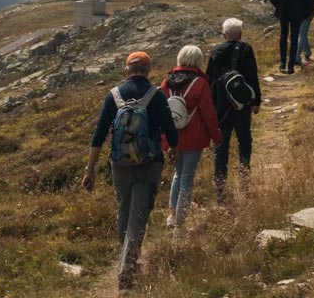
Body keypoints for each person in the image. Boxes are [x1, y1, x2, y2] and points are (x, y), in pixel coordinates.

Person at [81, 50, 179, 291]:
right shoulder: (155, 96)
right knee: (139, 215)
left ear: (126, 70)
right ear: (148, 70)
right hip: (149, 164)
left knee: (124, 211)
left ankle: (127, 262)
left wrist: (90, 169)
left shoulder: (113, 96)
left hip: (121, 165)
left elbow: (99, 135)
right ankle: (128, 268)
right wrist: (173, 152)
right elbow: (171, 132)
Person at [161, 45, 220, 229]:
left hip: (173, 137)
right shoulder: (200, 83)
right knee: (187, 176)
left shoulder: (166, 82)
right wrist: (216, 136)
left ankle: (172, 215)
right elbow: (208, 113)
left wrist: (163, 139)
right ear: (198, 61)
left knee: (178, 174)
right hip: (194, 136)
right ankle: (181, 221)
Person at [206, 17, 261, 196]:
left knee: (221, 145)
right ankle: (245, 177)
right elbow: (252, 77)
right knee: (244, 140)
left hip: (221, 107)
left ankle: (220, 186)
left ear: (224, 34)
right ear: (240, 34)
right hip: (242, 105)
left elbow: (209, 80)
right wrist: (255, 101)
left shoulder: (216, 51)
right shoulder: (246, 49)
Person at [269, 0, 314, 73]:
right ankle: (291, 66)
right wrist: (305, 13)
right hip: (297, 14)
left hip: (284, 12)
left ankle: (282, 63)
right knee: (294, 37)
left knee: (283, 36)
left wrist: (280, 8)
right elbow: (310, 0)